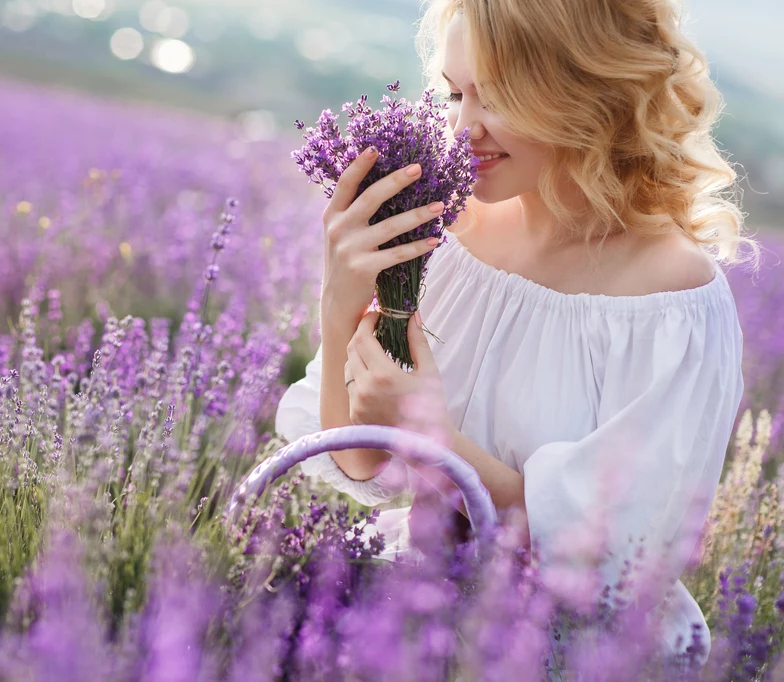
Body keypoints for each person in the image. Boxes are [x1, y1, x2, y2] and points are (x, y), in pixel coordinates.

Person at [274, 0, 762, 666]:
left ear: (584, 91)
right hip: (403, 615)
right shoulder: (442, 229)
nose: (462, 129)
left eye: (498, 97)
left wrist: (434, 436)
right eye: (453, 93)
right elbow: (358, 460)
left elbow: (606, 567)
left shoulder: (669, 297)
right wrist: (339, 303)